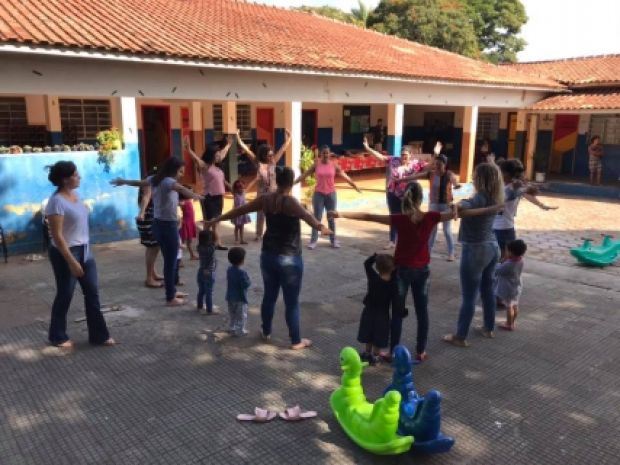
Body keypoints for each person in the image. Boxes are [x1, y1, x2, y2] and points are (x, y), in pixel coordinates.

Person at [329, 182, 498, 362]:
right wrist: (492, 208)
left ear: (406, 198)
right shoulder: (431, 217)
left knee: (398, 312)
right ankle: (421, 351)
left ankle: (393, 352)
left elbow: (369, 216)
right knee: (422, 312)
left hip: (401, 271)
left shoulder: (400, 219)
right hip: (422, 271)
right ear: (420, 199)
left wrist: (340, 214)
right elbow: (465, 213)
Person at [205, 166, 332, 350]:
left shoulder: (265, 200)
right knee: (291, 302)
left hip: (269, 256)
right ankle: (296, 340)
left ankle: (266, 331)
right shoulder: (290, 202)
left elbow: (240, 210)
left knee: (269, 297)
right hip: (289, 258)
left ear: (276, 181)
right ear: (290, 183)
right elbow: (308, 217)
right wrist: (322, 228)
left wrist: (216, 220)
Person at [111, 157, 203, 306]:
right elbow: (181, 189)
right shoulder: (168, 182)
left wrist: (124, 181)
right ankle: (170, 297)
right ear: (173, 170)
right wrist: (196, 196)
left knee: (169, 260)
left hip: (158, 224)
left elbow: (139, 183)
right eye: (180, 171)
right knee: (171, 261)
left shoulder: (154, 179)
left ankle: (171, 290)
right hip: (168, 226)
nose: (181, 175)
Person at [45, 161, 115, 348]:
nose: (79, 177)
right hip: (65, 253)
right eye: (76, 175)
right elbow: (58, 237)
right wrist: (72, 262)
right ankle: (57, 336)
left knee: (92, 293)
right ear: (65, 179)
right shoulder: (56, 202)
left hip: (84, 250)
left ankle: (99, 335)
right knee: (65, 294)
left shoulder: (75, 195)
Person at [443, 163, 506, 348]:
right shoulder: (496, 196)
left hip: (476, 249)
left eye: (475, 175)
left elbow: (467, 203)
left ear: (481, 179)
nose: (472, 178)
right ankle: (488, 328)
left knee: (469, 296)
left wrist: (457, 204)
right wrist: (459, 204)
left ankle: (460, 336)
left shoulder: (480, 197)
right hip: (492, 247)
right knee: (487, 291)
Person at [363, 137, 425, 249]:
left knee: (409, 217)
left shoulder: (416, 164)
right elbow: (380, 157)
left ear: (410, 155)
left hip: (408, 196)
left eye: (405, 155)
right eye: (402, 155)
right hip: (393, 193)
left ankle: (408, 239)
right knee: (394, 217)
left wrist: (435, 154)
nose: (403, 157)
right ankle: (392, 240)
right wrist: (368, 148)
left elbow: (429, 167)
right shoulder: (394, 160)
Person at [295, 145, 361, 249]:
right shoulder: (316, 164)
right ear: (320, 154)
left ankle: (333, 240)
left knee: (331, 217)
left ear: (330, 154)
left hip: (331, 194)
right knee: (317, 218)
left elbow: (345, 176)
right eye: (323, 153)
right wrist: (294, 182)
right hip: (318, 194)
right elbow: (305, 174)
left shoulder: (334, 165)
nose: (325, 155)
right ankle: (313, 241)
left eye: (327, 153)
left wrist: (354, 185)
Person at [494, 159, 557, 260]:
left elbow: (523, 194)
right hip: (502, 227)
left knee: (505, 257)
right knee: (505, 256)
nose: (497, 174)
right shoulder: (510, 187)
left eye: (499, 171)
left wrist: (541, 205)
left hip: (503, 227)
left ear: (505, 173)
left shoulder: (513, 188)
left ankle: (502, 273)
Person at [235, 129, 291, 241]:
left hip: (273, 193)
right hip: (261, 194)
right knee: (260, 215)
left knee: (273, 215)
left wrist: (288, 138)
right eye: (269, 155)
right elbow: (247, 150)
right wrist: (239, 139)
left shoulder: (274, 161)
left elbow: (283, 149)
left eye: (271, 154)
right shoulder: (258, 163)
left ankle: (273, 233)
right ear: (264, 155)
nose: (271, 156)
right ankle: (258, 234)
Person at [184, 135, 232, 249]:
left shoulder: (217, 167)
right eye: (216, 154)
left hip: (219, 197)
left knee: (217, 221)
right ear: (212, 155)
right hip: (209, 197)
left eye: (218, 154)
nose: (219, 156)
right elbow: (197, 160)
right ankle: (203, 242)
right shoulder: (205, 167)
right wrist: (189, 150)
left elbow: (223, 153)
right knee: (208, 222)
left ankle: (217, 243)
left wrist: (228, 145)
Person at [357, 254, 399, 365]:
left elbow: (366, 264)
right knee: (379, 334)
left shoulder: (373, 278)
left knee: (369, 332)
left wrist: (374, 257)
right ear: (393, 268)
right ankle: (376, 356)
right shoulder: (393, 284)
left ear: (377, 268)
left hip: (369, 310)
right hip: (382, 313)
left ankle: (367, 353)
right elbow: (396, 300)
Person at [427, 155, 461, 261]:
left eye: (439, 164)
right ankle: (428, 252)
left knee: (446, 230)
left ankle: (451, 253)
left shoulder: (448, 174)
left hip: (446, 205)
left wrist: (456, 184)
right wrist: (402, 179)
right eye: (436, 163)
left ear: (445, 165)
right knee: (432, 230)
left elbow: (454, 180)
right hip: (433, 205)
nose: (437, 165)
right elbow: (415, 176)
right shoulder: (431, 174)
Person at [136, 180, 163, 288]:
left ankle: (152, 273)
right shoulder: (149, 184)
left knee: (151, 248)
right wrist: (142, 212)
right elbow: (146, 197)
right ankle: (149, 278)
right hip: (149, 219)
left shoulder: (150, 184)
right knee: (154, 247)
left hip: (149, 218)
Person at [496, 239, 527, 331]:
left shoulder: (509, 264)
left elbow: (498, 271)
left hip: (509, 288)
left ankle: (509, 324)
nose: (506, 252)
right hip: (517, 286)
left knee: (509, 305)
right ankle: (512, 322)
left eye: (507, 250)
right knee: (515, 304)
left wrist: (500, 263)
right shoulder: (521, 260)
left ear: (512, 252)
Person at [226, 247, 251, 336]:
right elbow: (246, 284)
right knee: (241, 315)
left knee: (232, 313)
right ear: (242, 260)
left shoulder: (229, 270)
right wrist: (248, 280)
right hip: (240, 297)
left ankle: (231, 327)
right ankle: (240, 330)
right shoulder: (242, 272)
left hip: (230, 297)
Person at [196, 229, 218, 314]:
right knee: (209, 292)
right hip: (209, 272)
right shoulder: (212, 249)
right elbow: (216, 239)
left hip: (201, 271)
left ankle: (199, 305)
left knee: (201, 290)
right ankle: (209, 309)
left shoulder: (199, 247)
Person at [179, 188, 198, 260]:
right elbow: (179, 203)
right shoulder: (183, 202)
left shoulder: (189, 200)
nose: (191, 193)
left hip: (191, 222)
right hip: (186, 223)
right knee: (182, 243)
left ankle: (192, 255)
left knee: (189, 242)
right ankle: (179, 260)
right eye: (189, 192)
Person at [230, 179, 251, 245]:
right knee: (237, 227)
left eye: (242, 188)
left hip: (243, 212)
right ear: (236, 189)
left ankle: (242, 239)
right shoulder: (235, 194)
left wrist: (256, 180)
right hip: (237, 212)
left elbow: (250, 185)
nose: (241, 189)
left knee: (242, 226)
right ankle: (236, 240)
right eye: (239, 188)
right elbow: (229, 186)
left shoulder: (244, 193)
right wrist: (224, 181)